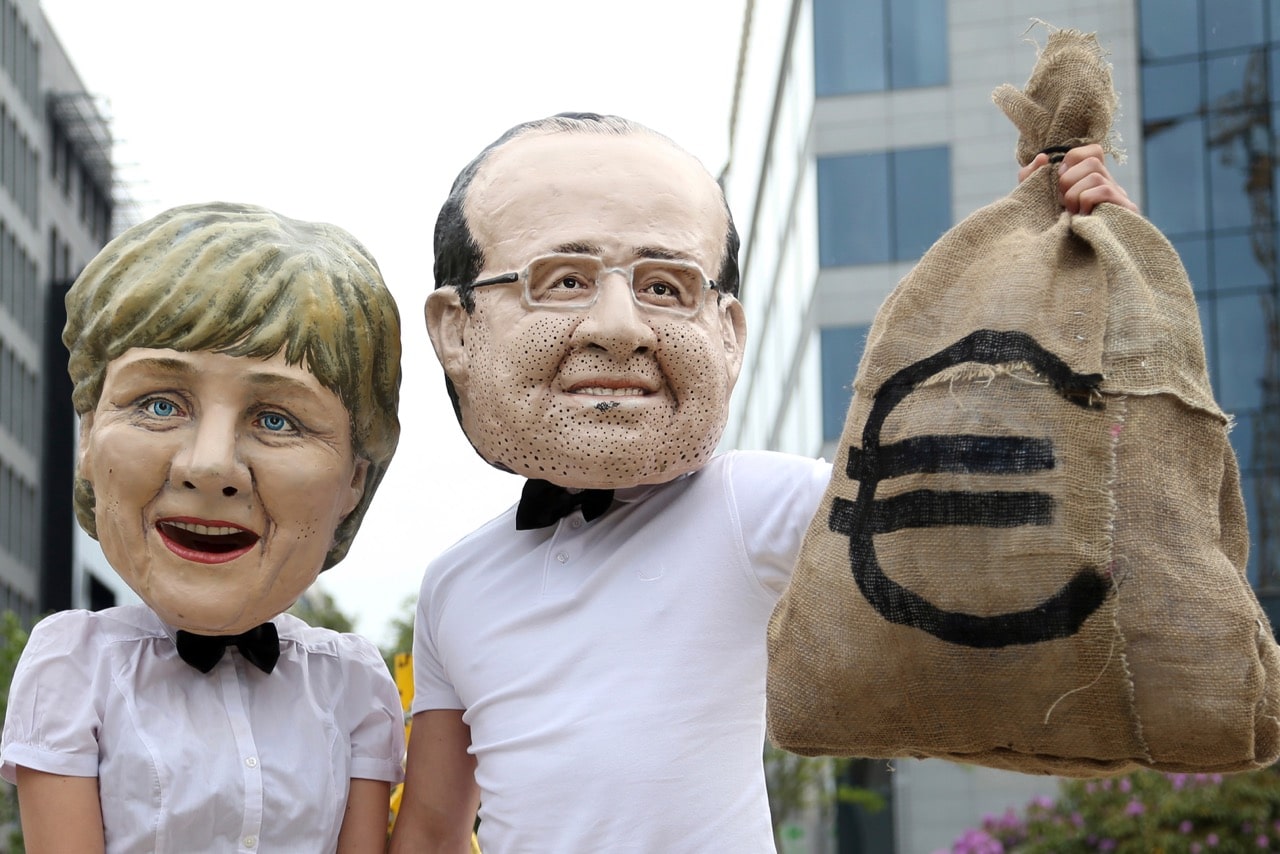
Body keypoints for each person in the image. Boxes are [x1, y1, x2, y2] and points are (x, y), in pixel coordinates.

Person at [388, 113, 1137, 853]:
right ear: (457, 329)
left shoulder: (750, 507)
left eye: (664, 286)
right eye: (565, 280)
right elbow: (430, 828)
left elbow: (995, 523)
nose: (617, 327)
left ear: (728, 332)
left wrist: (1084, 287)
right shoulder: (456, 585)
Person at [1, 202, 406, 853]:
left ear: (355, 478)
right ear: (86, 437)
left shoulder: (353, 683)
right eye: (161, 404)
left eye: (276, 419)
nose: (210, 466)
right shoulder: (74, 667)